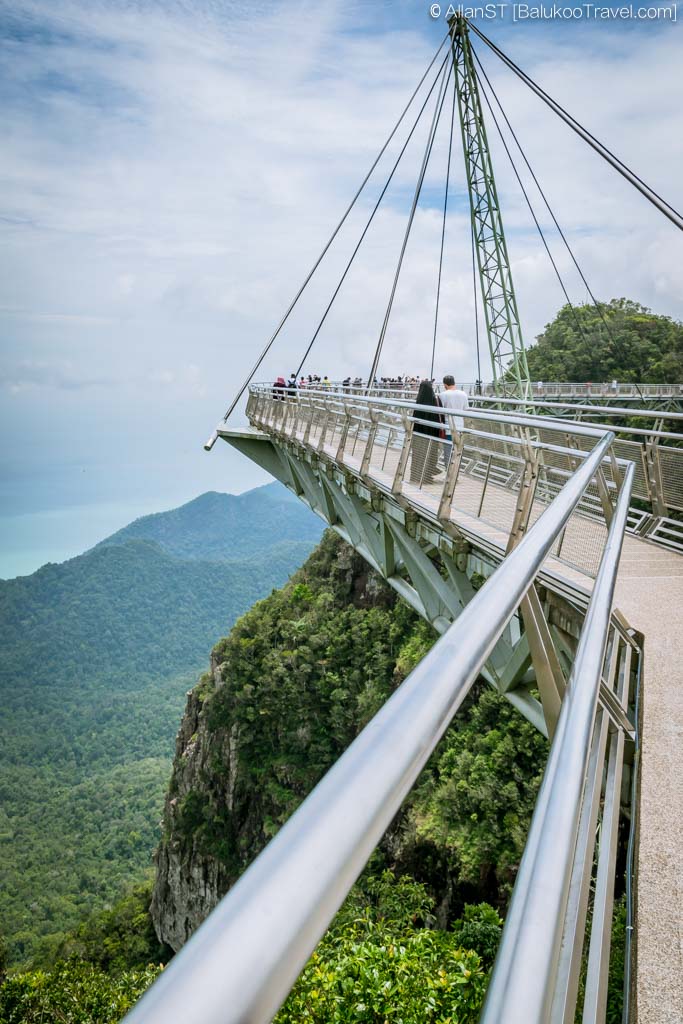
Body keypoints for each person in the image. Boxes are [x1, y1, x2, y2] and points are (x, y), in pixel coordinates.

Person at [410, 379, 443, 486]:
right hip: (432, 434)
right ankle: (427, 477)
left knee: (418, 455)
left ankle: (416, 476)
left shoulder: (418, 402)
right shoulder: (435, 401)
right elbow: (439, 417)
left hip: (418, 434)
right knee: (430, 454)